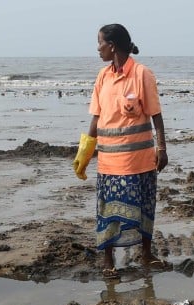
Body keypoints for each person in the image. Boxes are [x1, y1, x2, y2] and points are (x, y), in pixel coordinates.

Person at [73, 23, 169, 279]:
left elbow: (156, 115)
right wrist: (83, 154)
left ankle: (146, 254)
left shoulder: (142, 74)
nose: (98, 48)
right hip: (108, 163)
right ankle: (108, 261)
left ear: (112, 46)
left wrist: (162, 147)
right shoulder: (102, 77)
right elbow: (96, 119)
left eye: (100, 43)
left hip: (139, 162)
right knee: (108, 213)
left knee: (144, 209)